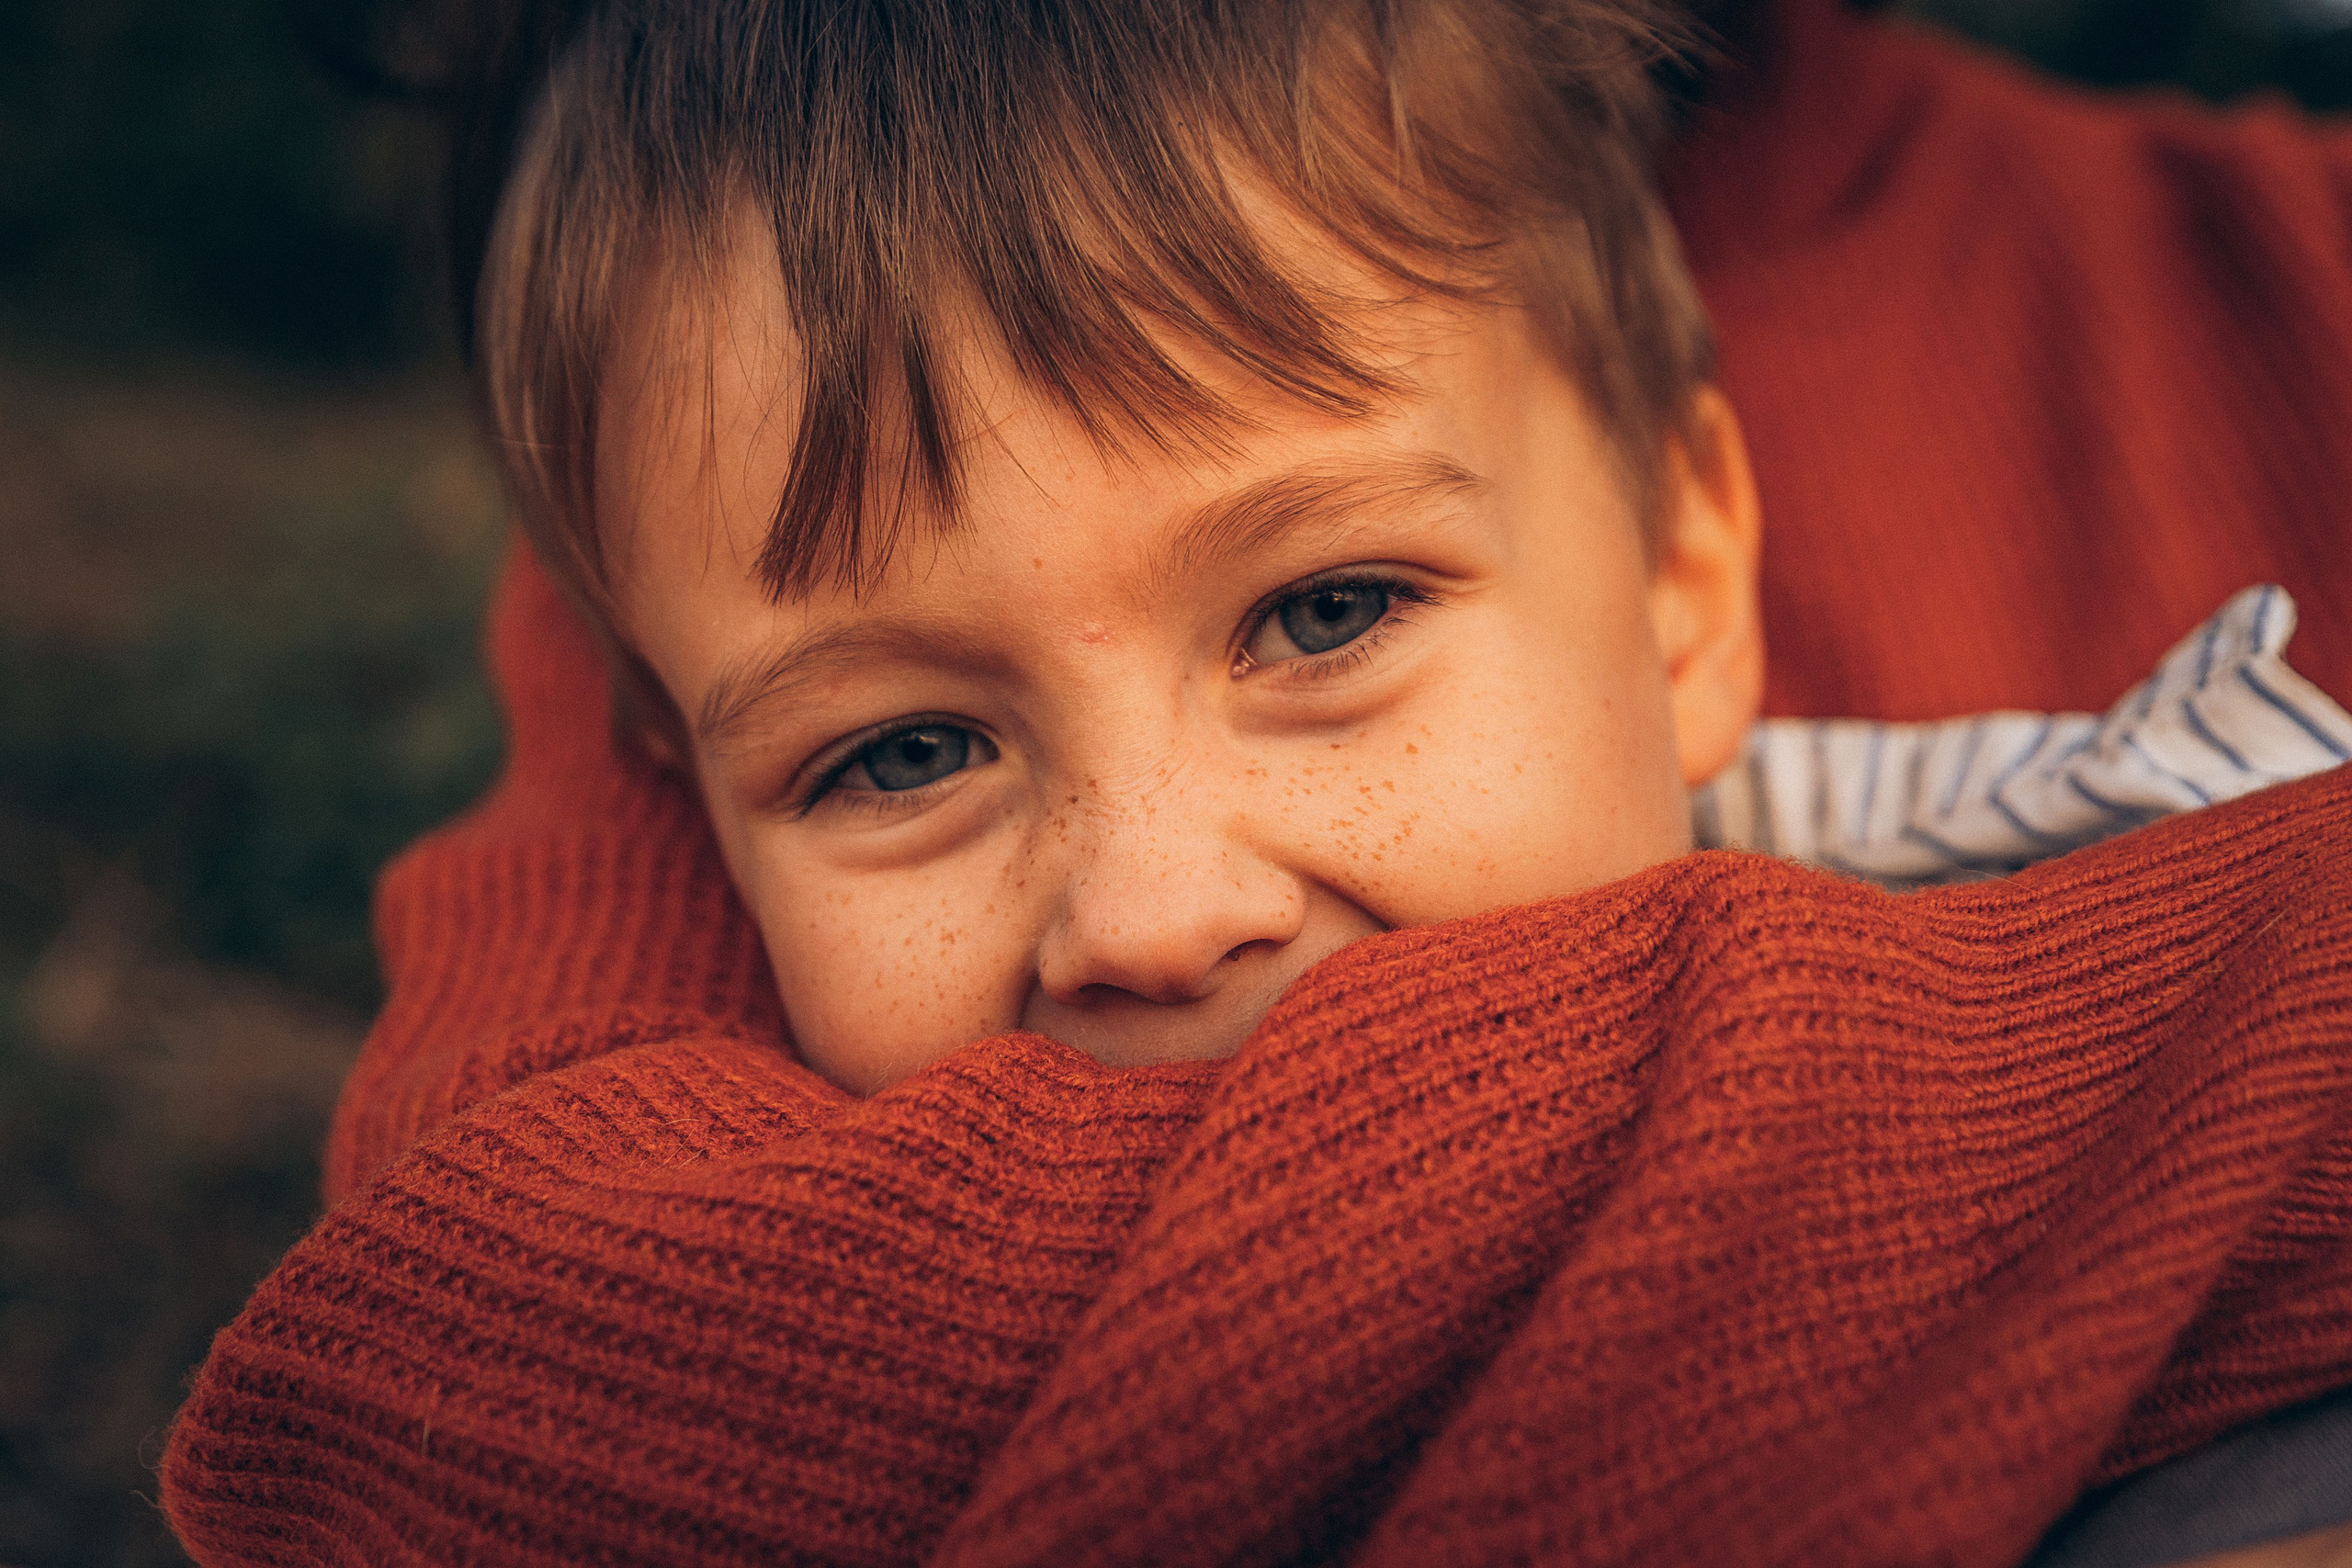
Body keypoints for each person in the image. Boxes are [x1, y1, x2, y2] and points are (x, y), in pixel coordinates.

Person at [161, 1, 2352, 1562]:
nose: (1150, 907)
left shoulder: (2227, 433)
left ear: (1687, 577)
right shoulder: (714, 368)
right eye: (906, 751)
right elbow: (475, 1400)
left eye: (1320, 615)